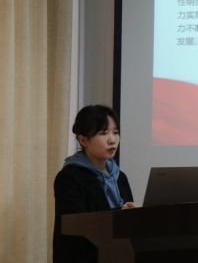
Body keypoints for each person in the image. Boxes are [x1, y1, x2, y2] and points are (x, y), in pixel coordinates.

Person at [53, 105, 137, 263]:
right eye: (103, 133)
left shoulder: (120, 176)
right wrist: (120, 214)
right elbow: (76, 225)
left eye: (116, 132)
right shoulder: (69, 177)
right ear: (83, 140)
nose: (112, 140)